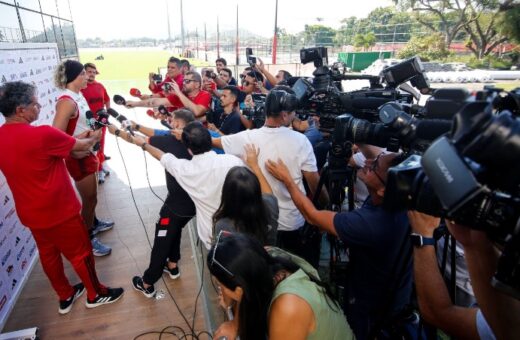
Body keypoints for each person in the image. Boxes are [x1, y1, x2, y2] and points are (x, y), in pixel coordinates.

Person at [0, 81, 124, 314]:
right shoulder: (43, 134)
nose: (38, 107)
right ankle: (96, 294)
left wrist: (83, 138)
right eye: (35, 104)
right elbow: (84, 145)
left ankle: (65, 295)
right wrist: (96, 135)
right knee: (82, 253)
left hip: (31, 214)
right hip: (60, 211)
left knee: (49, 256)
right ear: (20, 110)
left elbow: (66, 147)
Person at [266, 150, 412, 339]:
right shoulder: (398, 198)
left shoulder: (371, 224)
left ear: (383, 190)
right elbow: (381, 161)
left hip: (372, 306)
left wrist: (287, 179)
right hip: (390, 290)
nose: (366, 162)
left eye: (374, 165)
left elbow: (312, 215)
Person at [213, 86, 325, 267]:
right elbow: (315, 186)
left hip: (260, 223)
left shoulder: (246, 138)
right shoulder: (301, 141)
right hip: (293, 223)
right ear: (285, 115)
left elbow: (213, 141)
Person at [111, 121, 243, 249]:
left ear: (189, 150)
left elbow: (163, 156)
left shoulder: (185, 170)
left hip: (212, 234)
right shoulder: (234, 161)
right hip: (242, 228)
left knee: (219, 264)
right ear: (210, 139)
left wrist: (144, 144)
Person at [109, 109, 197, 297]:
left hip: (176, 205)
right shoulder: (199, 140)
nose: (169, 124)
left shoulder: (169, 141)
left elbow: (138, 141)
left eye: (172, 121)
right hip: (194, 204)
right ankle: (172, 266)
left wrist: (115, 131)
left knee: (162, 240)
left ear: (178, 125)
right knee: (176, 228)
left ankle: (148, 282)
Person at [208, 232, 354, 340]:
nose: (220, 291)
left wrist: (230, 309)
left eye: (220, 285)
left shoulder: (288, 307)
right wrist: (235, 323)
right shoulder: (266, 258)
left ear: (239, 290)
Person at [52, 60, 112, 257]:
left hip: (89, 152)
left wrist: (97, 124)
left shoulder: (78, 96)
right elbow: (55, 137)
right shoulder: (66, 102)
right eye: (83, 75)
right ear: (74, 77)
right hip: (79, 157)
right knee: (90, 198)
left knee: (92, 198)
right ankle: (87, 237)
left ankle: (93, 222)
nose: (88, 77)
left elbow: (84, 122)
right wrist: (80, 143)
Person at [407, 211, 496, 339]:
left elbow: (439, 315)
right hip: (444, 253)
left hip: (466, 283)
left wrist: (422, 235)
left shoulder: (508, 322)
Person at [214, 144, 278, 246]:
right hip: (268, 259)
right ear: (256, 189)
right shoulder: (271, 205)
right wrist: (255, 166)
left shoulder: (223, 226)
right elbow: (268, 193)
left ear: (227, 194)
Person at [126, 71, 211, 123]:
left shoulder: (205, 94)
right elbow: (155, 102)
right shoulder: (181, 95)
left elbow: (197, 111)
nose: (184, 83)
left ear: (197, 84)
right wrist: (134, 104)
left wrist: (178, 93)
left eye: (187, 81)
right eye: (184, 81)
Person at [81, 62, 111, 184]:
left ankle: (100, 168)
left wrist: (107, 113)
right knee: (93, 147)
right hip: (87, 124)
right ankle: (98, 169)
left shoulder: (100, 86)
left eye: (94, 72)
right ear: (84, 73)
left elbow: (107, 100)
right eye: (89, 72)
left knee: (101, 146)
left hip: (101, 123)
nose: (92, 74)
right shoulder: (81, 88)